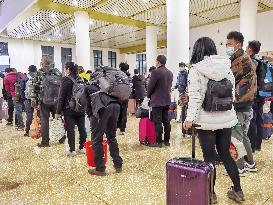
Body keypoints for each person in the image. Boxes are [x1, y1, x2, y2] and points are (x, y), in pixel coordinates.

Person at [183, 37, 244, 203]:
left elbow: (195, 97)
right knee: (225, 155)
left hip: (206, 120)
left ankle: (211, 194)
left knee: (209, 157)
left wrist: (189, 118)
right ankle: (238, 191)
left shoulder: (196, 69)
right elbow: (232, 95)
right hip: (226, 119)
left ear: (197, 50)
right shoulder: (226, 67)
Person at [226, 31, 258, 174]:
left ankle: (239, 167)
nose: (227, 47)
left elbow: (228, 78)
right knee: (243, 135)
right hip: (246, 105)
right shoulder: (244, 58)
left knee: (236, 136)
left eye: (229, 44)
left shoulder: (241, 60)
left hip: (239, 104)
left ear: (238, 44)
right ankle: (250, 163)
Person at [85, 82, 123, 176]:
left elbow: (86, 105)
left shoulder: (87, 88)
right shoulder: (106, 85)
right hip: (116, 105)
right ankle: (118, 164)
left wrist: (91, 117)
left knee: (96, 139)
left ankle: (100, 168)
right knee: (111, 137)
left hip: (103, 107)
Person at [56, 62, 87, 156]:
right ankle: (81, 148)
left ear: (68, 69)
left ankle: (72, 150)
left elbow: (61, 96)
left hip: (69, 108)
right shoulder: (82, 79)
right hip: (81, 108)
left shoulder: (65, 80)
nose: (65, 70)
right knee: (82, 128)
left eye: (65, 68)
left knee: (70, 129)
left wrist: (58, 111)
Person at [31, 57, 62, 148]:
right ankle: (62, 137)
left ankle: (45, 142)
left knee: (45, 121)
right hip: (56, 100)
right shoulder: (57, 72)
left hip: (44, 101)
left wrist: (35, 102)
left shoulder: (39, 72)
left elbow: (35, 88)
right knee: (58, 119)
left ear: (42, 63)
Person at [147, 55, 173, 147]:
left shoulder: (155, 72)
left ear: (158, 62)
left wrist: (148, 95)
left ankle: (158, 142)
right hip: (167, 100)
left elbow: (150, 86)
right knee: (166, 121)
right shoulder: (170, 73)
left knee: (157, 121)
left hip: (157, 101)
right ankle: (167, 141)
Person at [246, 41, 264, 152]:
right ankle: (258, 145)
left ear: (250, 50)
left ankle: (251, 146)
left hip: (253, 95)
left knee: (251, 120)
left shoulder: (251, 61)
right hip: (261, 95)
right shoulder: (261, 61)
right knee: (259, 120)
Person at [20, 65, 37, 136]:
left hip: (28, 99)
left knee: (29, 116)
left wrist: (24, 98)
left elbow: (22, 89)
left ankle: (27, 132)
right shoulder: (38, 76)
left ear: (28, 70)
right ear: (35, 69)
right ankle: (39, 131)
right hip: (37, 100)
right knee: (39, 116)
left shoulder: (25, 77)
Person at [117, 62, 131, 135]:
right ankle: (122, 130)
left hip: (118, 96)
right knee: (124, 113)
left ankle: (116, 126)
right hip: (126, 97)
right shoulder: (129, 77)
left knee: (117, 112)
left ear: (120, 68)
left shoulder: (118, 75)